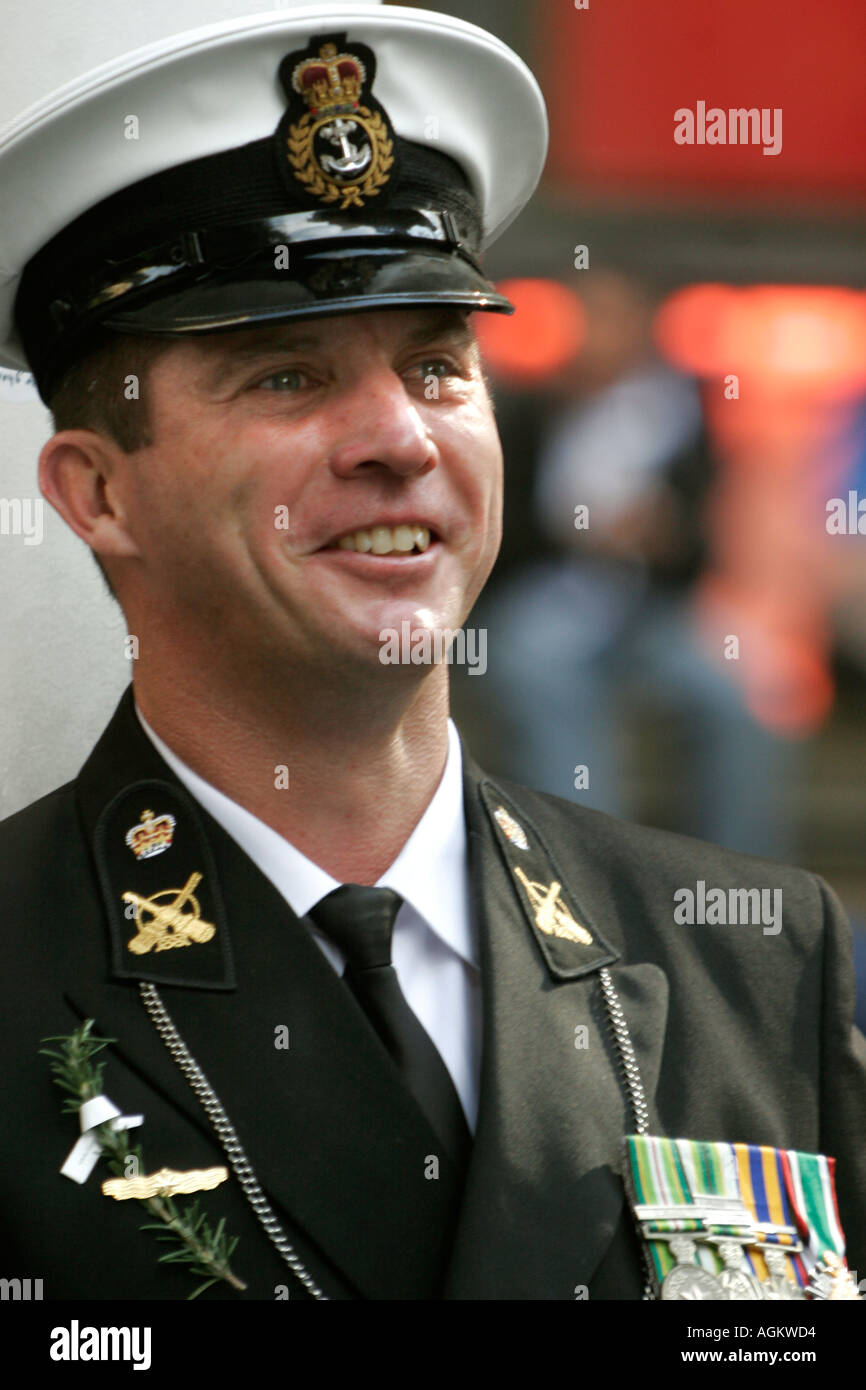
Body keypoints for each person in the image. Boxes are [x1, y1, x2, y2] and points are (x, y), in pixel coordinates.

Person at [0, 3, 864, 1303]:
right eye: (285, 376)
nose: (398, 437)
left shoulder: (755, 960)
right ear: (98, 494)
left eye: (438, 364)